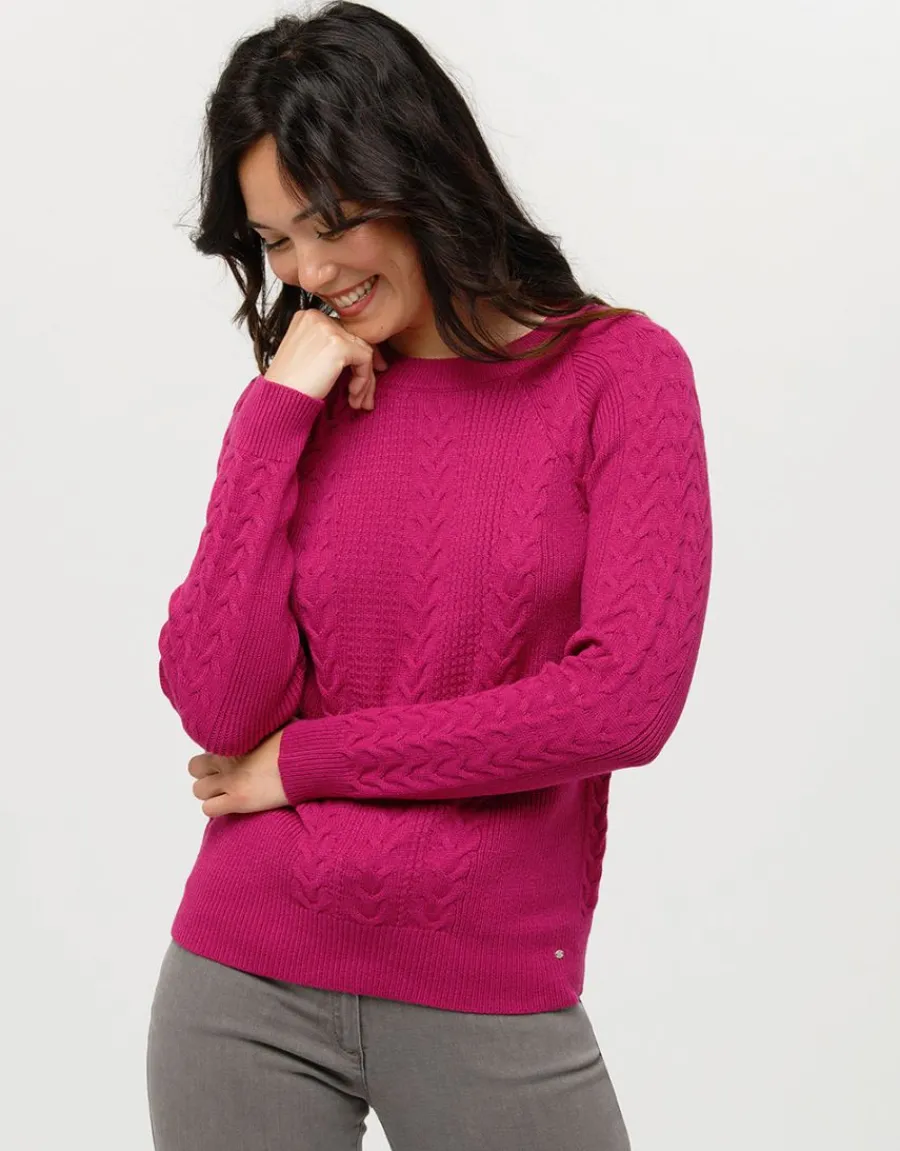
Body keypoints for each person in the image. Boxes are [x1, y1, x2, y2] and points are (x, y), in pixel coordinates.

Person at [145, 3, 713, 1149]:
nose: (308, 272)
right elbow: (218, 703)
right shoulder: (317, 389)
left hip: (486, 985)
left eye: (330, 223)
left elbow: (624, 702)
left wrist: (310, 761)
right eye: (274, 241)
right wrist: (272, 413)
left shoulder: (620, 375)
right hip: (240, 980)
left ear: (422, 175)